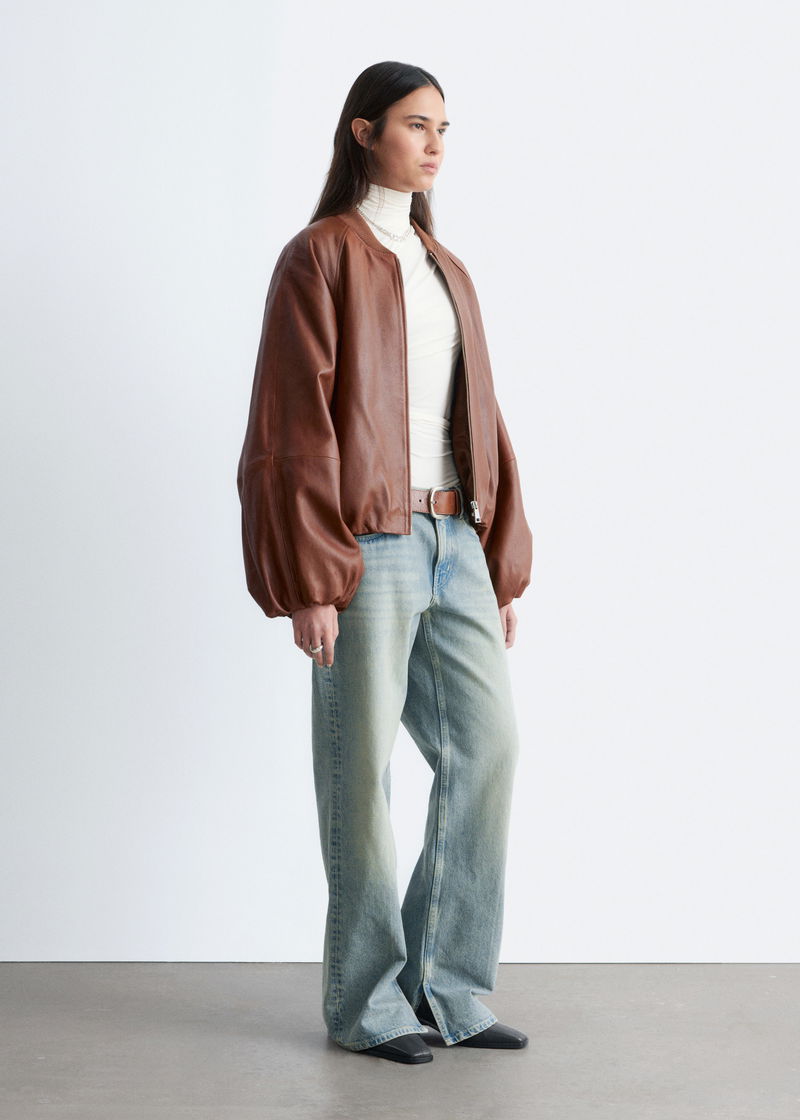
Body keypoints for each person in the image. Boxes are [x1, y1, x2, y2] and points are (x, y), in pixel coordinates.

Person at [236, 61, 534, 1065]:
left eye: (444, 127)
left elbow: (482, 420)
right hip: (366, 543)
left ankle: (445, 987)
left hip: (456, 539)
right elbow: (289, 427)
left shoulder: (447, 267)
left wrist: (498, 559)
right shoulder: (319, 255)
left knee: (486, 751)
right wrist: (308, 579)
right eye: (415, 124)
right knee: (359, 777)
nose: (435, 143)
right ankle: (366, 1005)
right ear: (364, 132)